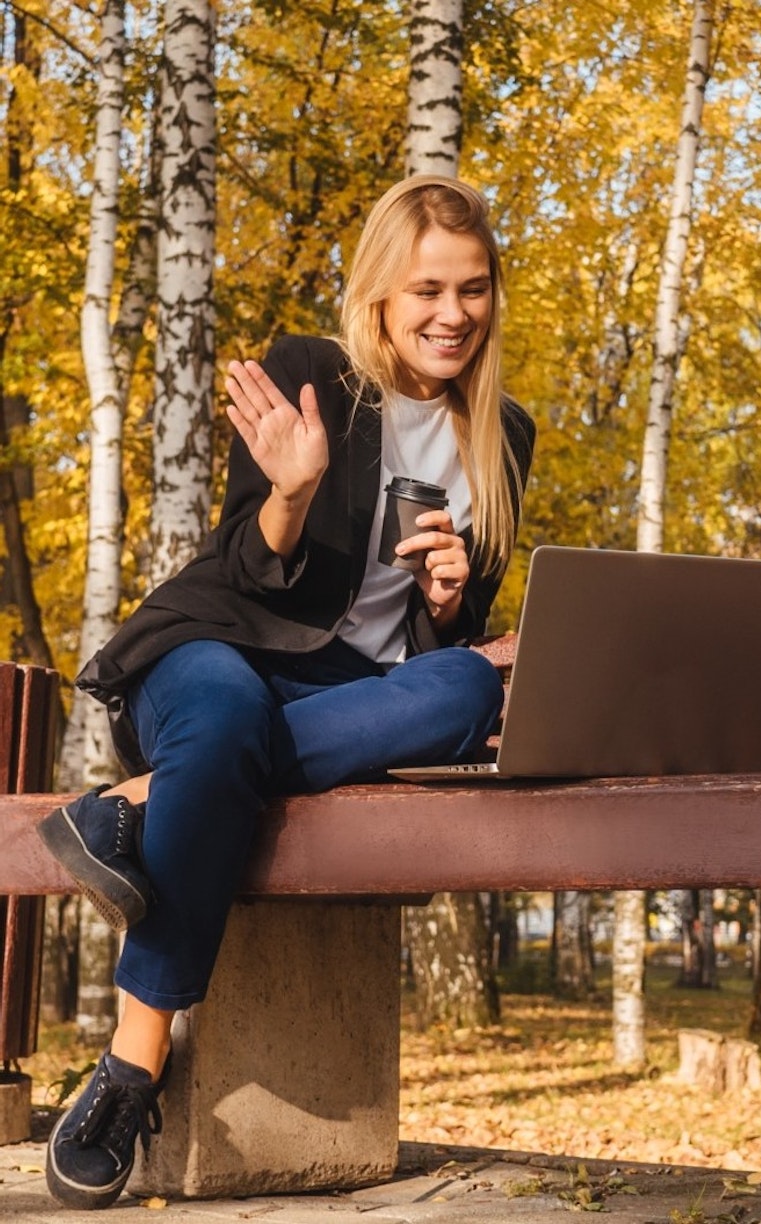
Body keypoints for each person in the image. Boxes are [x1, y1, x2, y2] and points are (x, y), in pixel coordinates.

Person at [37, 174, 535, 1211]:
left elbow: (438, 636)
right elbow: (249, 573)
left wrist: (449, 602)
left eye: (474, 289)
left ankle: (131, 808)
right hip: (214, 654)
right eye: (429, 290)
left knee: (466, 684)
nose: (454, 315)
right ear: (382, 297)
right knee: (222, 721)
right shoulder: (310, 375)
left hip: (348, 695)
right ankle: (134, 1063)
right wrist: (293, 494)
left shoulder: (503, 437)